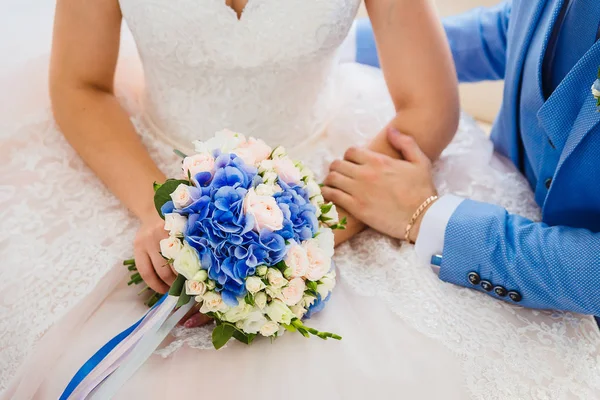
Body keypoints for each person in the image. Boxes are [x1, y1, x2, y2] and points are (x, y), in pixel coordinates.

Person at [1, 1, 598, 399]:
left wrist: (301, 235)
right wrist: (159, 212)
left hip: (334, 175)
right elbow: (81, 82)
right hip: (142, 163)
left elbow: (428, 103)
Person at [327, 1, 600, 326]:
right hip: (498, 180)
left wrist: (428, 216)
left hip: (577, 311)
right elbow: (523, 27)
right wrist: (333, 42)